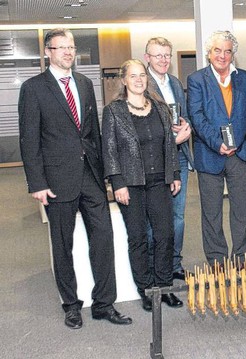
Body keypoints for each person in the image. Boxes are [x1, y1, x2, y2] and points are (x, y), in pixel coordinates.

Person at [18, 28, 132, 329]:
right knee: (63, 244)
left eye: (71, 47)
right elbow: (29, 141)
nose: (69, 52)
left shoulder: (83, 83)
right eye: (61, 47)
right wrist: (37, 183)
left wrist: (108, 173)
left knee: (103, 240)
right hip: (56, 182)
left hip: (91, 177)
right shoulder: (33, 88)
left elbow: (92, 134)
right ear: (48, 52)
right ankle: (71, 305)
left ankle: (104, 303)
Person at [102, 59, 183, 311]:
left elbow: (169, 144)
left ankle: (164, 286)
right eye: (133, 76)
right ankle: (146, 290)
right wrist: (117, 183)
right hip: (131, 184)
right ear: (123, 80)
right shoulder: (113, 111)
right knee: (138, 238)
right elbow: (110, 149)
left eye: (142, 76)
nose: (139, 80)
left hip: (160, 181)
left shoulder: (159, 107)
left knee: (165, 235)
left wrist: (175, 173)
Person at [187, 31, 246, 266]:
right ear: (208, 53)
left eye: (227, 51)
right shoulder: (196, 80)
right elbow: (196, 116)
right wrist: (218, 143)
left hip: (240, 154)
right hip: (210, 154)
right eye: (217, 50)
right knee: (211, 213)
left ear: (233, 53)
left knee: (242, 211)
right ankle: (217, 262)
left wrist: (238, 143)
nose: (222, 56)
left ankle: (242, 259)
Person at [144, 37, 194, 281]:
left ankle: (174, 264)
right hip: (155, 160)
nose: (163, 60)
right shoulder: (141, 84)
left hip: (179, 159)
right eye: (157, 55)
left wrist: (187, 128)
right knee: (156, 217)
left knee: (177, 216)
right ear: (148, 59)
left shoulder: (174, 83)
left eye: (166, 55)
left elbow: (183, 116)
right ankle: (156, 266)